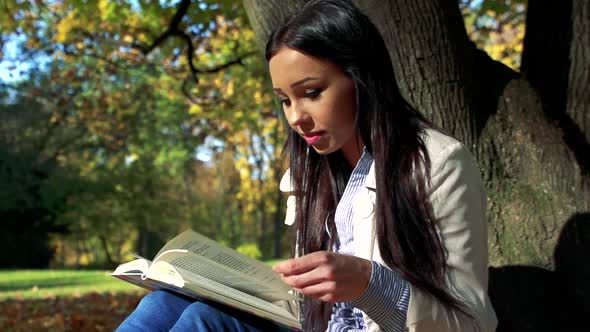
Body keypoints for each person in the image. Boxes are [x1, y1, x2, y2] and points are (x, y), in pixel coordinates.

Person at [117, 0, 497, 331]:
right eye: (284, 100)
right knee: (162, 305)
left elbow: (471, 322)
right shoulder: (311, 171)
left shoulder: (438, 164)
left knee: (204, 323)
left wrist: (370, 284)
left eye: (312, 93)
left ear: (362, 78)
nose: (296, 117)